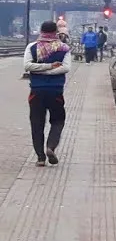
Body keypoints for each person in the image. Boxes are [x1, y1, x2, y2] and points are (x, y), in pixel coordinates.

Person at [24, 21, 71, 166]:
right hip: (56, 91)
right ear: (56, 32)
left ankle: (40, 158)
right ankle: (50, 147)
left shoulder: (32, 47)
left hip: (36, 91)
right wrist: (50, 67)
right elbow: (66, 68)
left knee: (36, 123)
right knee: (58, 121)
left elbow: (27, 66)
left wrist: (41, 70)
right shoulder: (64, 48)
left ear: (41, 30)